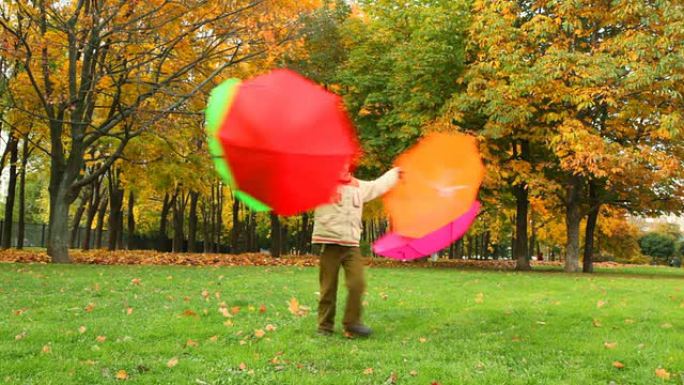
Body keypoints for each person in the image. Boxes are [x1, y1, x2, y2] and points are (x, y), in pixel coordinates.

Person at [312, 165, 400, 337]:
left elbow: (377, 185)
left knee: (357, 283)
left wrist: (395, 173)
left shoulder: (357, 186)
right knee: (328, 288)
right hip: (330, 244)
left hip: (351, 245)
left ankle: (352, 323)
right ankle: (325, 326)